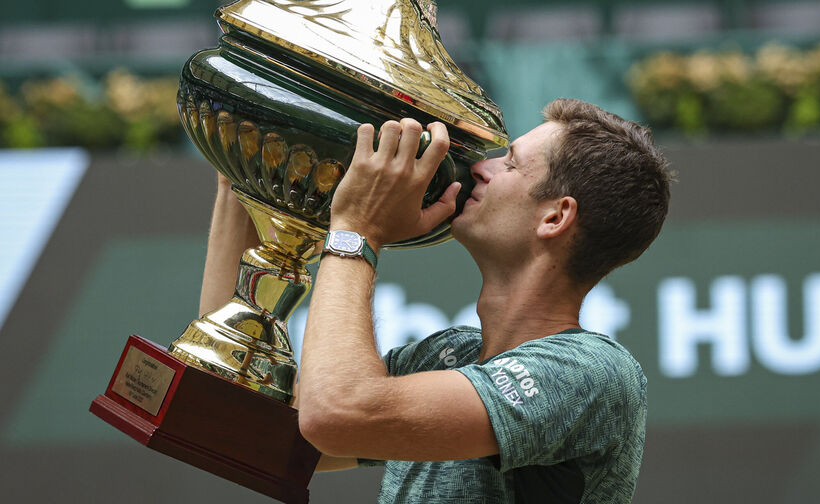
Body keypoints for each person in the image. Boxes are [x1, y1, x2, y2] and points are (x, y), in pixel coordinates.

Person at [200, 98, 672, 503]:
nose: (480, 169)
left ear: (555, 216)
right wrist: (244, 174)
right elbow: (242, 428)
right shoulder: (449, 356)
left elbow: (335, 413)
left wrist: (357, 231)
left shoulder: (591, 374)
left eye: (509, 163)